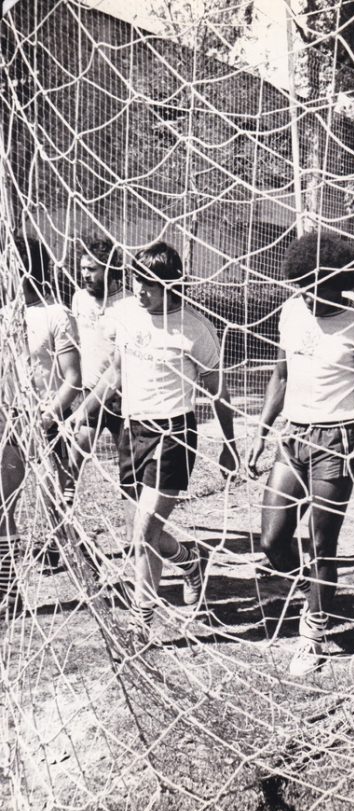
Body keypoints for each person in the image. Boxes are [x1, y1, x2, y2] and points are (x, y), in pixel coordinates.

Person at [70, 241, 239, 639]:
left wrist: (230, 446)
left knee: (144, 532)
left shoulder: (195, 329)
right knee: (141, 534)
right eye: (137, 281)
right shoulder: (127, 315)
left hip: (173, 434)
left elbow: (218, 393)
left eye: (150, 284)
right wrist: (83, 411)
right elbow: (115, 374)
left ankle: (141, 621)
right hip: (133, 432)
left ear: (171, 285)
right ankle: (191, 560)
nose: (140, 291)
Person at [248, 232, 354, 677]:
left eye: (317, 286)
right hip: (292, 436)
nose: (308, 295)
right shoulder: (292, 311)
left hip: (336, 442)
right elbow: (280, 374)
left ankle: (312, 635)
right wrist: (262, 431)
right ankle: (313, 596)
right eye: (302, 285)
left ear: (340, 283)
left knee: (322, 545)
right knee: (273, 540)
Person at [0, 236, 81, 617]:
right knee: (3, 506)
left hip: (49, 425)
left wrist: (47, 416)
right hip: (11, 423)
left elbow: (73, 379)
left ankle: (87, 571)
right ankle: (9, 593)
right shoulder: (4, 315)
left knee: (57, 512)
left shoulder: (55, 315)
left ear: (24, 268)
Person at [70, 239, 132, 551]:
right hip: (88, 395)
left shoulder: (129, 305)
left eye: (91, 269)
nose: (85, 274)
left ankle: (136, 539)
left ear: (109, 269)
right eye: (82, 268)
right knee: (70, 461)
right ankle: (63, 534)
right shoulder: (79, 299)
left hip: (123, 398)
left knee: (129, 472)